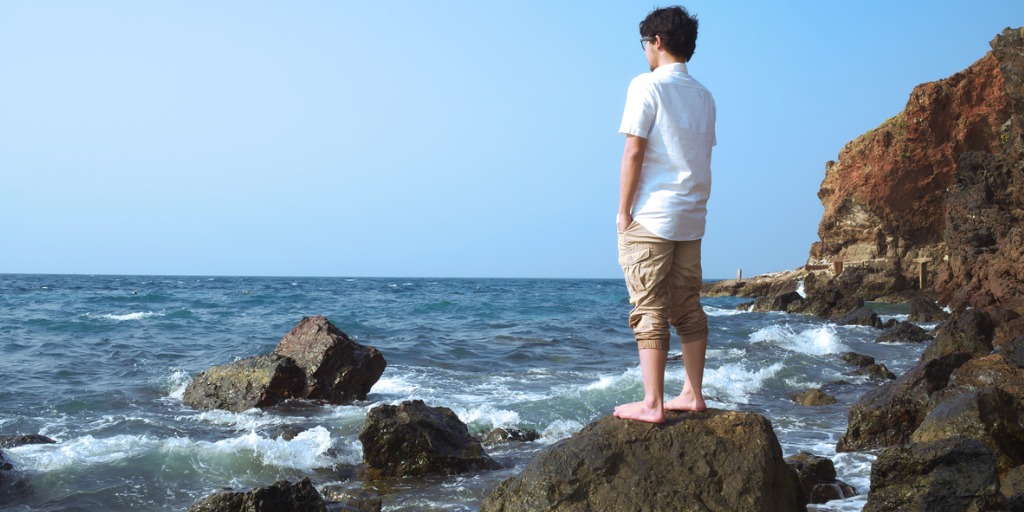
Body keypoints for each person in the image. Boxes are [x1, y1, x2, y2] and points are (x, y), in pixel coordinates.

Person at [613, 5, 715, 424]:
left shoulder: (646, 85)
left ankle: (652, 403)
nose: (645, 52)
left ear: (656, 42)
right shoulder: (705, 96)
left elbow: (634, 150)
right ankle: (692, 393)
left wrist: (623, 211)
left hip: (654, 215)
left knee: (648, 307)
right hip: (692, 215)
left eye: (646, 44)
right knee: (687, 305)